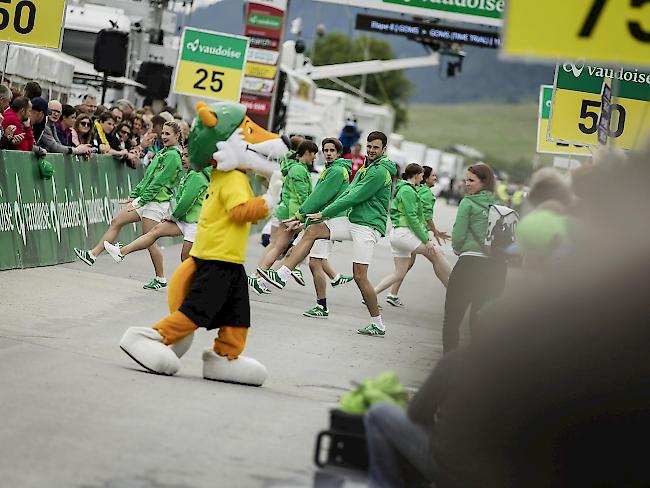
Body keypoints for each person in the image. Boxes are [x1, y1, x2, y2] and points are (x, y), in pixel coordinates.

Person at [258, 131, 397, 336]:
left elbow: (354, 197)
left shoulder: (379, 172)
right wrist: (308, 217)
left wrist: (323, 213)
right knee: (313, 230)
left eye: (376, 147)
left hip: (368, 227)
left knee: (360, 277)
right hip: (354, 220)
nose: (371, 150)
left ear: (384, 149)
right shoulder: (367, 167)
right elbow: (349, 193)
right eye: (369, 146)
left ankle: (377, 323)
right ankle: (282, 274)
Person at [74, 121, 184, 289]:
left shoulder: (173, 156)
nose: (164, 137)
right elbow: (148, 177)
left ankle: (160, 278)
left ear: (177, 136)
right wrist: (134, 196)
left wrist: (141, 201)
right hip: (146, 199)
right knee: (117, 221)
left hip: (156, 202)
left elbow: (159, 183)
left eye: (168, 134)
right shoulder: (164, 152)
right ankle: (93, 254)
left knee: (149, 240)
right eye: (163, 133)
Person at [104, 147, 210, 264]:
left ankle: (199, 282)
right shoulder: (191, 173)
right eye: (183, 155)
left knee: (186, 259)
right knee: (155, 231)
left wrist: (173, 217)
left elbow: (186, 202)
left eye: (187, 156)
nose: (183, 159)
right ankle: (121, 252)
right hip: (185, 219)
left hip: (195, 224)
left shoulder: (197, 176)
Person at [443, 163, 506, 353]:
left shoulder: (468, 203)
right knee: (480, 319)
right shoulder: (501, 206)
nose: (466, 184)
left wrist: (457, 248)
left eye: (471, 180)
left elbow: (459, 234)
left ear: (484, 182)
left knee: (453, 317)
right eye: (465, 180)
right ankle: (476, 364)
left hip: (469, 265)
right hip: (494, 268)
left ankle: (449, 361)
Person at [373, 164, 451, 309]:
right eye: (422, 175)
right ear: (416, 175)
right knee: (437, 252)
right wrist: (427, 240)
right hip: (405, 234)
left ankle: (371, 295)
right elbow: (413, 217)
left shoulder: (406, 188)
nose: (422, 178)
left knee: (399, 273)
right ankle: (457, 284)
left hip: (398, 235)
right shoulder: (409, 191)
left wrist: (433, 233)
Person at [251, 140, 316, 293]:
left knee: (278, 247)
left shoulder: (294, 167)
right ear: (307, 153)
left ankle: (259, 277)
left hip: (288, 212)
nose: (314, 158)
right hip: (292, 214)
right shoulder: (299, 169)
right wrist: (303, 214)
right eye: (314, 154)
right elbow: (302, 195)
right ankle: (260, 277)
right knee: (280, 247)